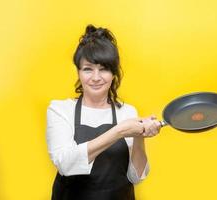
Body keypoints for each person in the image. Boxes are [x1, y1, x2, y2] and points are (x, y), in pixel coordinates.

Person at [46, 24, 161, 200]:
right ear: (78, 72)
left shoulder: (127, 112)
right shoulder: (60, 110)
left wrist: (139, 136)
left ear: (114, 73)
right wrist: (119, 131)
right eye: (88, 69)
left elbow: (136, 177)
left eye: (104, 69)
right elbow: (65, 165)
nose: (96, 77)